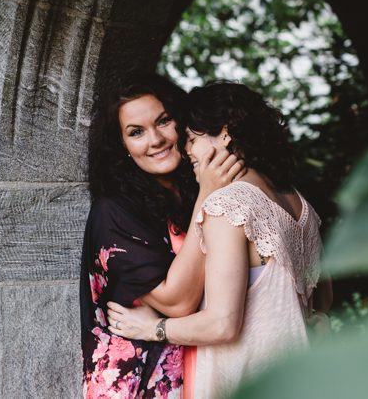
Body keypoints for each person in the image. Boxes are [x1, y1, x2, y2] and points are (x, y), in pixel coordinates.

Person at [106, 82, 328, 399]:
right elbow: (324, 300)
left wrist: (152, 329)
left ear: (224, 134)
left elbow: (222, 324)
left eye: (192, 139)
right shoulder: (299, 203)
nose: (187, 151)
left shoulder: (227, 205)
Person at [80, 73, 243, 398]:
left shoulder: (197, 189)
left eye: (163, 121)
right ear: (122, 146)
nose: (155, 140)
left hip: (204, 371)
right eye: (136, 132)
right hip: (137, 382)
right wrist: (207, 195)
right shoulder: (114, 212)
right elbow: (178, 302)